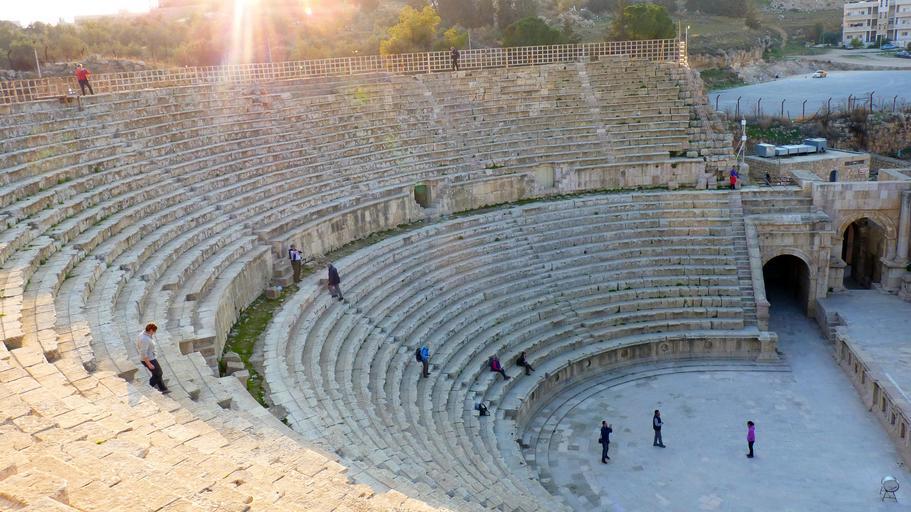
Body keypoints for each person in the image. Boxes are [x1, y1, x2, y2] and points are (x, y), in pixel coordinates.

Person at [136, 323, 169, 394]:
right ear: (151, 330)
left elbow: (138, 346)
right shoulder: (144, 339)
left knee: (157, 373)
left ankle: (163, 388)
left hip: (151, 357)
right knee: (159, 373)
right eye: (154, 331)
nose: (154, 333)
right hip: (149, 359)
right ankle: (148, 388)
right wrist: (149, 364)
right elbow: (143, 352)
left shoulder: (143, 334)